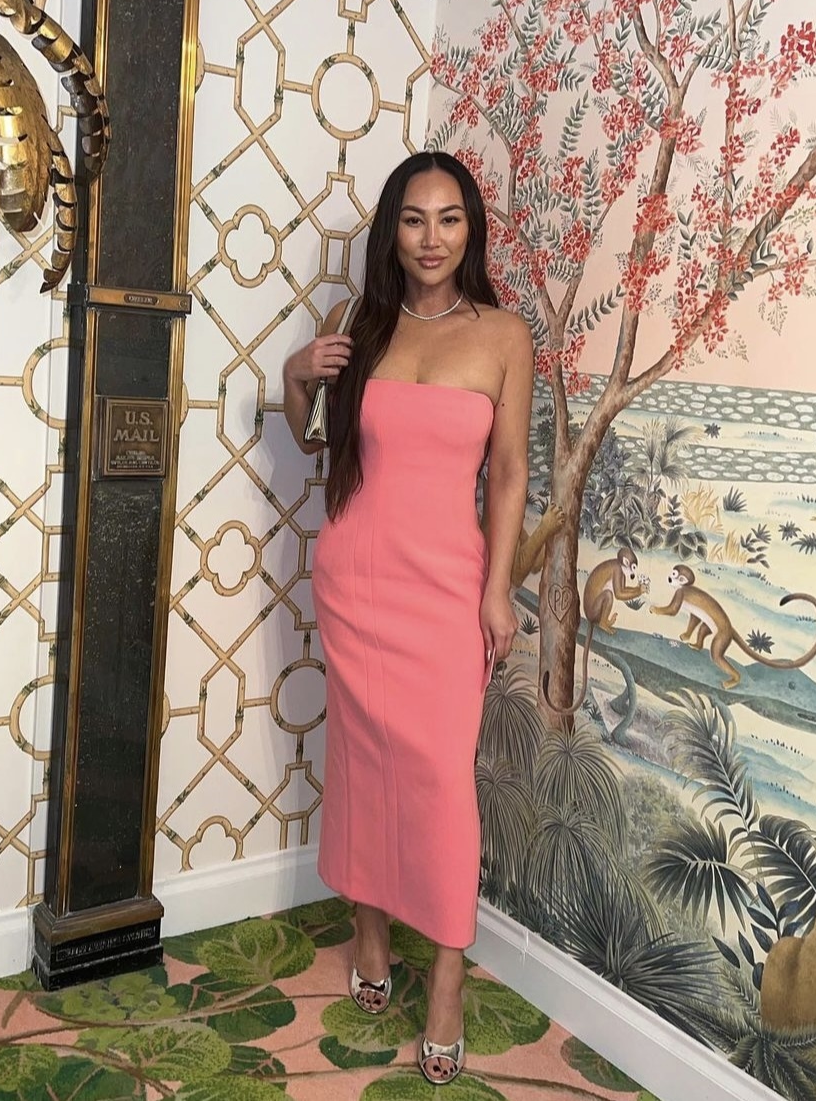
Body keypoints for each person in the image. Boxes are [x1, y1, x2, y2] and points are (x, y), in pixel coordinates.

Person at [282, 151, 532, 1085]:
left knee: (438, 778)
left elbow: (509, 474)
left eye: (450, 218)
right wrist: (297, 374)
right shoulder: (366, 326)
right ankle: (371, 927)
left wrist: (497, 588)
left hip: (446, 588)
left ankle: (448, 979)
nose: (432, 238)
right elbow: (317, 439)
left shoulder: (503, 334)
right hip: (357, 576)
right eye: (415, 219)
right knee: (362, 757)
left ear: (472, 230)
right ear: (393, 232)